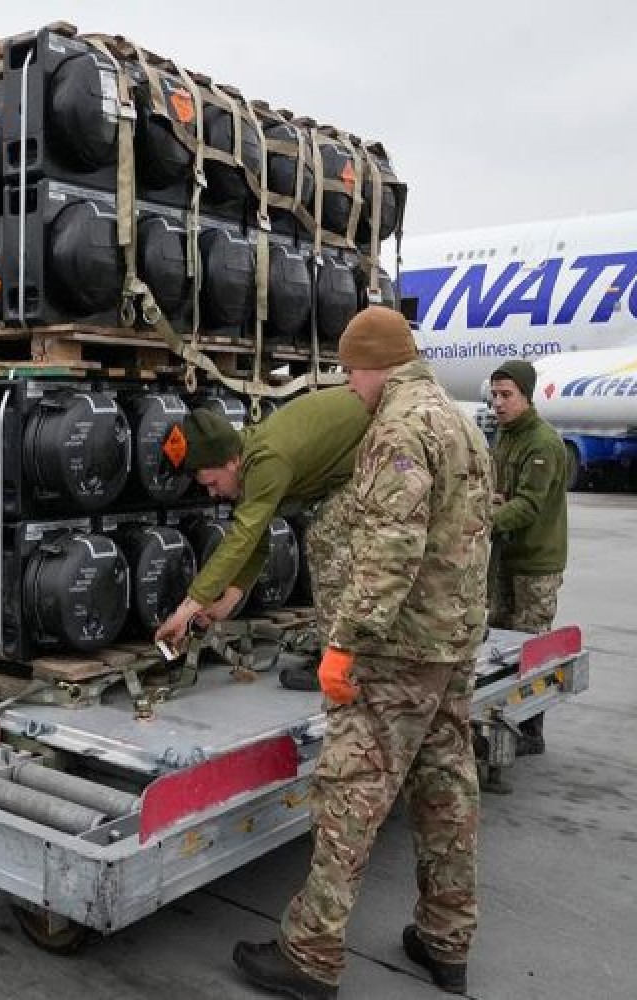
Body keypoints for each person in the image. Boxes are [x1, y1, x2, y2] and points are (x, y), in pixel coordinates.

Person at [232, 307, 493, 999]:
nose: (350, 387)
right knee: (446, 790)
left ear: (376, 364)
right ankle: (447, 940)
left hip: (398, 651)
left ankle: (310, 955)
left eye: (351, 372)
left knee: (350, 796)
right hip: (452, 641)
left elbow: (391, 551)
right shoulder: (462, 421)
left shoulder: (399, 429)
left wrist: (345, 642)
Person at [153, 387, 371, 693]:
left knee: (328, 540)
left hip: (385, 442)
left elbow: (242, 539)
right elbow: (256, 539)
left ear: (230, 462)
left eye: (212, 483)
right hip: (361, 454)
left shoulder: (267, 460)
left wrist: (185, 611)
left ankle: (345, 663)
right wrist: (225, 604)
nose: (213, 493)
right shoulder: (250, 459)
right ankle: (344, 651)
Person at [487, 359, 568, 756]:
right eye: (494, 395)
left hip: (535, 563)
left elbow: (528, 505)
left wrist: (482, 519)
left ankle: (530, 731)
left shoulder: (541, 442)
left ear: (526, 395)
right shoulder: (506, 435)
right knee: (499, 647)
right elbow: (502, 491)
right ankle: (504, 721)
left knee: (529, 650)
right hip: (505, 558)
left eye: (506, 395)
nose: (498, 404)